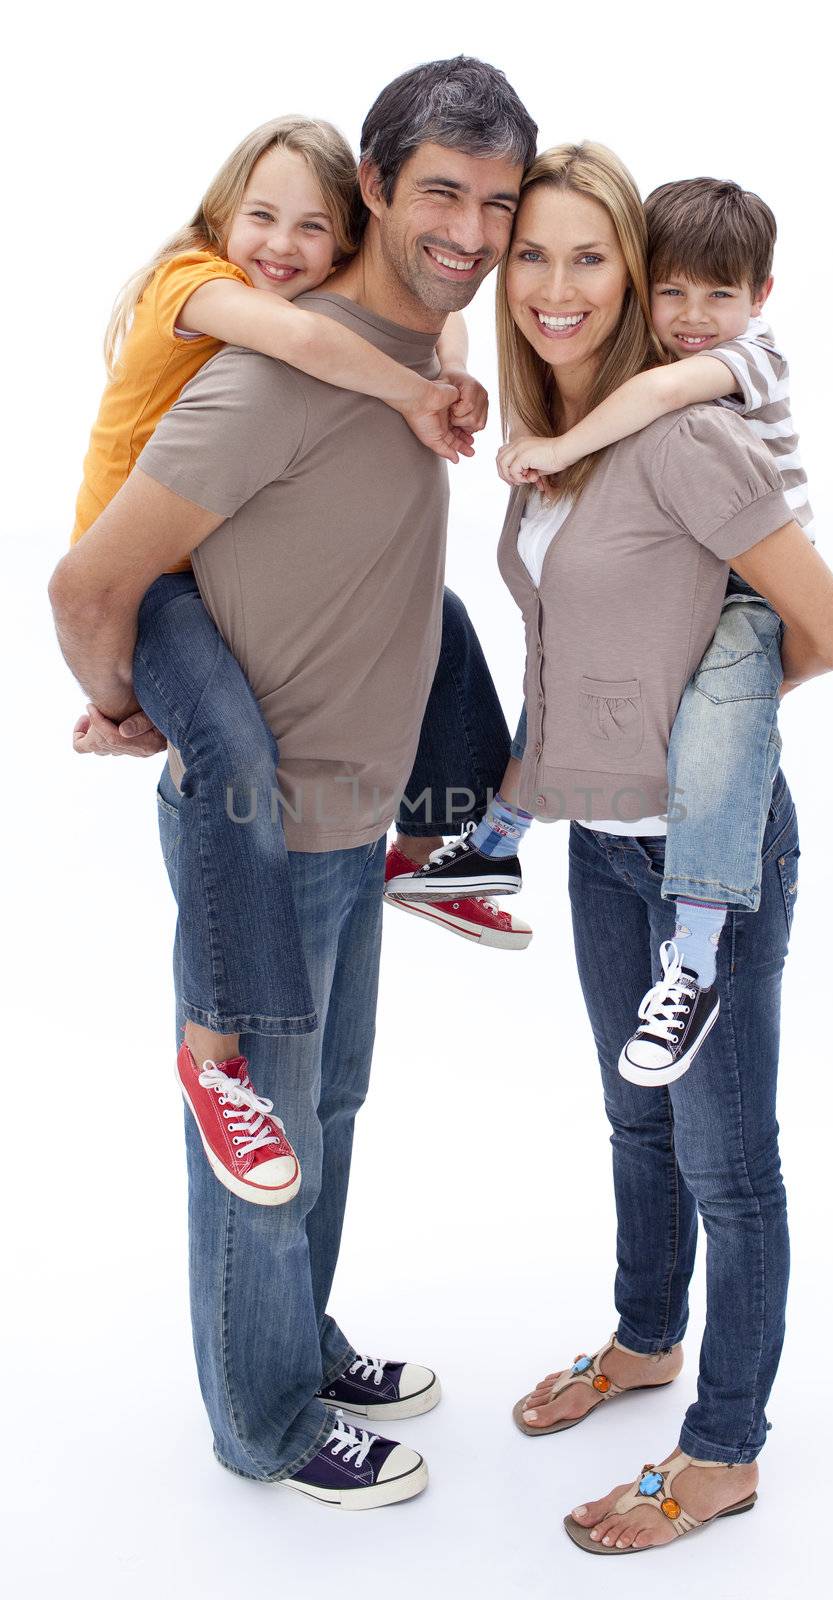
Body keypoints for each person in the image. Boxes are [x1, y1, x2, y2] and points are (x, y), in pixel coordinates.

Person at [48, 56, 537, 1508]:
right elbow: (92, 577)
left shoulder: (415, 362)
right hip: (259, 832)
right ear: (373, 188)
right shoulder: (279, 361)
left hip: (356, 817)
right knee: (256, 1129)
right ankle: (260, 1423)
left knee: (323, 1113)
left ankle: (294, 1345)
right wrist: (132, 704)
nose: (471, 227)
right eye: (438, 189)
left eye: (497, 201)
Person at [495, 142, 833, 1554]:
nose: (557, 286)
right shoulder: (561, 441)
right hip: (604, 849)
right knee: (635, 1121)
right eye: (533, 257)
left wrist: (711, 727)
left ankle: (721, 1453)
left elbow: (831, 634)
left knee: (730, 1165)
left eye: (589, 258)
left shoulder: (691, 426)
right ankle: (646, 1337)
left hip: (714, 851)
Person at [63, 112, 493, 1203]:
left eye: (314, 229)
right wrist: (117, 703)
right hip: (152, 586)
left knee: (428, 613)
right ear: (221, 214)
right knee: (235, 756)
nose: (283, 245)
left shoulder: (320, 306)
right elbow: (306, 343)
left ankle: (443, 842)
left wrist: (448, 365)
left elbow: (432, 320)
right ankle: (216, 1062)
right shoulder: (194, 282)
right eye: (262, 215)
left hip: (206, 585)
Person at [393, 174, 815, 1086]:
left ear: (760, 298)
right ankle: (497, 841)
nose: (694, 315)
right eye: (674, 291)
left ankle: (694, 959)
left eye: (720, 295)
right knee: (565, 653)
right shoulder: (604, 412)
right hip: (605, 815)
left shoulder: (724, 376)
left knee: (728, 1167)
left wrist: (745, 690)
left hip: (750, 601)